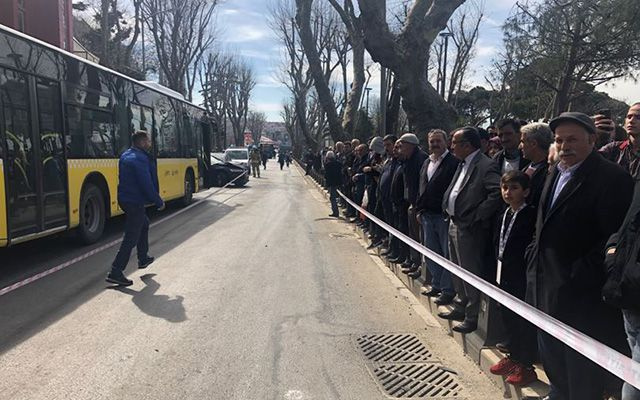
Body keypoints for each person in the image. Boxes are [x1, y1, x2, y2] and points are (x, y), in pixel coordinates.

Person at [526, 112, 633, 400]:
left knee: (581, 373)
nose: (564, 146)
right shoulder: (555, 172)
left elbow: (613, 239)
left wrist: (576, 275)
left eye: (572, 139)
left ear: (592, 140)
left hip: (581, 297)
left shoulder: (613, 179)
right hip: (544, 287)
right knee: (553, 360)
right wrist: (533, 258)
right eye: (559, 140)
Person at [440, 126, 502, 333]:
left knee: (469, 273)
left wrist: (475, 216)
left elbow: (496, 194)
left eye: (454, 143)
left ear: (467, 145)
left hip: (470, 229)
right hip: (453, 222)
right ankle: (461, 306)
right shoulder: (462, 163)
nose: (451, 146)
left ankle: (472, 315)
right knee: (457, 269)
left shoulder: (486, 165)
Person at [489, 170, 538, 387]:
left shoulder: (531, 216)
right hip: (502, 272)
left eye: (514, 188)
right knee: (506, 316)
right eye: (505, 188)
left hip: (520, 276)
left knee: (521, 320)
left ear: (526, 192)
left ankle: (526, 365)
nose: (508, 193)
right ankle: (513, 356)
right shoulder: (504, 214)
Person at [106, 131, 164, 286]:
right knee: (131, 235)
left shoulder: (126, 155)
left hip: (125, 199)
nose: (150, 144)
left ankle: (143, 257)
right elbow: (146, 183)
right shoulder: (139, 159)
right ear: (142, 142)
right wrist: (158, 201)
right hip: (134, 200)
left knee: (143, 223)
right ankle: (116, 271)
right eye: (148, 141)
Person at [415, 129, 459, 303]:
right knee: (431, 252)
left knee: (446, 253)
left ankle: (448, 290)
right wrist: (419, 209)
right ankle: (437, 284)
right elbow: (422, 187)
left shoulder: (453, 162)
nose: (435, 144)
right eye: (432, 141)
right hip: (426, 215)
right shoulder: (427, 162)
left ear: (446, 142)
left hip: (443, 216)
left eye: (438, 141)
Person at [398, 133, 429, 276]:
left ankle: (421, 269)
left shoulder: (420, 158)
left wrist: (418, 205)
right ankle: (414, 261)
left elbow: (421, 184)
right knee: (413, 236)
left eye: (402, 145)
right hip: (410, 202)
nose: (399, 148)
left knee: (420, 238)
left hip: (418, 205)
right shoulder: (407, 159)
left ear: (410, 145)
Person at [600, 103, 640, 179]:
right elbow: (587, 162)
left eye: (638, 117)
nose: (631, 121)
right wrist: (593, 136)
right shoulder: (614, 149)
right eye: (629, 117)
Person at [519, 123, 553, 208]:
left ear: (533, 143)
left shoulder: (550, 171)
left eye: (523, 142)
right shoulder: (527, 167)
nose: (520, 147)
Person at [324, 151, 343, 218]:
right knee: (337, 196)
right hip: (339, 182)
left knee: (333, 198)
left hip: (332, 183)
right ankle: (336, 211)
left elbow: (326, 175)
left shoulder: (327, 165)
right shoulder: (339, 163)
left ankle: (335, 212)